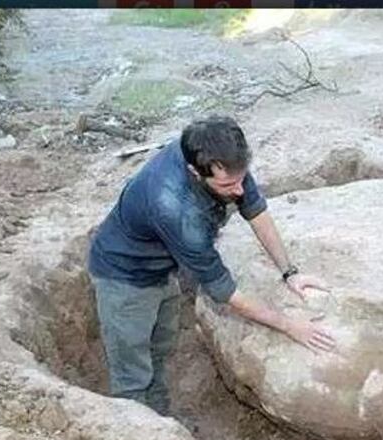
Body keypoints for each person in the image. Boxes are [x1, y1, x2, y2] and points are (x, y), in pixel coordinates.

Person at [87, 115, 335, 415]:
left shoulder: (223, 158)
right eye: (229, 184)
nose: (239, 190)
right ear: (195, 172)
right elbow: (226, 292)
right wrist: (289, 326)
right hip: (124, 277)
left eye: (242, 178)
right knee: (132, 373)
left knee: (159, 348)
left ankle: (160, 418)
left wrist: (290, 272)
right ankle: (141, 438)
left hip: (161, 268)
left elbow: (256, 212)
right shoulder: (175, 209)